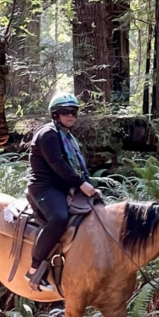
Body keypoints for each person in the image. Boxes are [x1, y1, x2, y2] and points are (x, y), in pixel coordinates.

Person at [25, 91, 99, 292]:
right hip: (44, 187)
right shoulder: (48, 134)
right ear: (55, 114)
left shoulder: (68, 137)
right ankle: (34, 270)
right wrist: (81, 184)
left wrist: (85, 186)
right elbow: (57, 163)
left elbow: (76, 167)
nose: (71, 116)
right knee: (59, 218)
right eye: (66, 112)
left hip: (63, 186)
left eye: (74, 112)